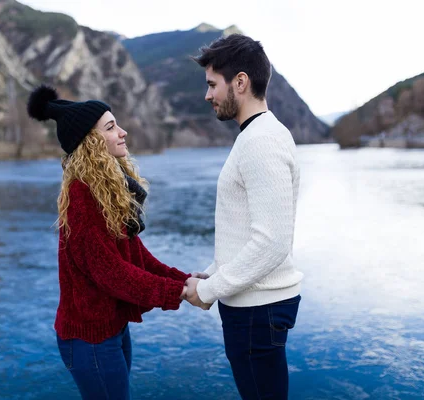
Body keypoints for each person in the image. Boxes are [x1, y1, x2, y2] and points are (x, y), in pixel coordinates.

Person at [27, 85, 195, 400]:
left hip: (112, 330)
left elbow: (136, 255)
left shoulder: (107, 188)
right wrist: (180, 293)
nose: (123, 132)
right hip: (89, 341)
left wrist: (183, 279)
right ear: (91, 142)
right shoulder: (81, 194)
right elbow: (111, 272)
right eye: (110, 127)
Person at [183, 34, 304, 400]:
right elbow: (249, 229)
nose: (208, 96)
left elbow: (271, 242)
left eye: (212, 84)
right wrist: (216, 270)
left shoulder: (261, 142)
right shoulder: (258, 136)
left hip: (257, 311)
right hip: (254, 306)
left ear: (240, 81)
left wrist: (208, 290)